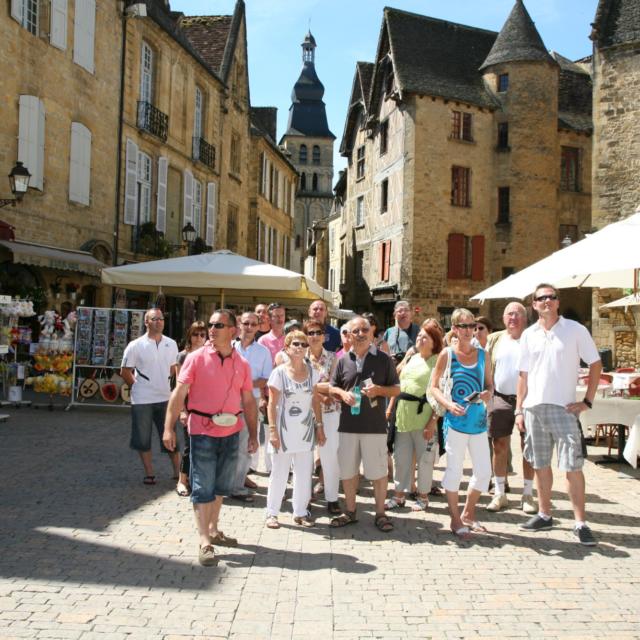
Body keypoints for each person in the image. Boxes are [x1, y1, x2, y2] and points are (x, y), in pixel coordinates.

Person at [162, 309, 258, 566]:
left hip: (231, 430)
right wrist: (168, 428)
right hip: (202, 429)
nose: (212, 330)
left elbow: (248, 401)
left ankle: (214, 530)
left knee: (220, 486)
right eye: (211, 325)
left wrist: (254, 434)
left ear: (232, 331)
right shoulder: (195, 358)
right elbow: (179, 393)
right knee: (203, 486)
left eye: (218, 325)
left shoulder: (242, 363)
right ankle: (205, 540)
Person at [516, 284, 602, 545]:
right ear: (534, 304)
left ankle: (580, 522)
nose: (547, 302)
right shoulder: (529, 335)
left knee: (572, 467)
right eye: (542, 298)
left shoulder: (575, 330)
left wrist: (587, 401)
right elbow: (524, 375)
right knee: (540, 464)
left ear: (558, 302)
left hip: (564, 409)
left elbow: (596, 364)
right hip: (533, 408)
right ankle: (544, 514)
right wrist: (519, 409)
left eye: (552, 297)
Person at [324, 316, 400, 532]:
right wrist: (342, 393)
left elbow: (396, 389)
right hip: (347, 426)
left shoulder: (384, 359)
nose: (360, 334)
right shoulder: (342, 360)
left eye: (364, 330)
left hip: (374, 427)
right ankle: (350, 512)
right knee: (348, 471)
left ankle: (380, 514)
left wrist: (378, 390)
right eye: (355, 331)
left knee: (378, 472)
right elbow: (331, 387)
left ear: (372, 333)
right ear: (348, 335)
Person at [430, 308, 493, 539]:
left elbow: (489, 384)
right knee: (454, 471)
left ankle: (468, 513)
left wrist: (487, 394)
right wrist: (448, 404)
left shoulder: (483, 355)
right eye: (463, 326)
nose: (469, 330)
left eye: (472, 325)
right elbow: (434, 387)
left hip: (478, 421)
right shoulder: (447, 354)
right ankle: (455, 519)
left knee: (484, 472)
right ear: (455, 329)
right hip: (455, 421)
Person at [265, 330, 325, 529]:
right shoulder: (279, 372)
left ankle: (300, 512)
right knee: (279, 473)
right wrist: (272, 430)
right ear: (287, 348)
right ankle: (272, 513)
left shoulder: (313, 373)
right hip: (283, 430)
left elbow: (316, 400)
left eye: (303, 345)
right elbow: (271, 404)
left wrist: (320, 426)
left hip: (305, 430)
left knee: (304, 473)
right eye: (295, 344)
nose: (300, 348)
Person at [485, 303, 537, 514]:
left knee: (528, 448)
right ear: (503, 318)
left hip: (527, 399)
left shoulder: (532, 338)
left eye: (517, 314)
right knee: (499, 445)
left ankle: (527, 494)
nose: (513, 317)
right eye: (509, 314)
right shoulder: (495, 339)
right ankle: (499, 492)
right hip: (500, 398)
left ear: (525, 318)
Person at [385, 324, 442, 511]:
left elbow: (441, 393)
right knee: (400, 458)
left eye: (425, 337)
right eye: (419, 336)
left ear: (434, 342)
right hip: (403, 416)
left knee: (425, 459)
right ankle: (399, 494)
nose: (420, 339)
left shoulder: (437, 362)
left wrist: (432, 421)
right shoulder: (412, 358)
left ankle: (423, 496)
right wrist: (391, 408)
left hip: (424, 417)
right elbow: (398, 383)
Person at [120, 308, 180, 485]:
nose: (159, 322)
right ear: (146, 322)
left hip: (165, 397)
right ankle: (149, 473)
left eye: (161, 318)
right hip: (143, 400)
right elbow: (124, 371)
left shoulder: (171, 343)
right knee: (142, 437)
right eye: (154, 319)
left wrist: (169, 384)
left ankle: (177, 472)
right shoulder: (135, 345)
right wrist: (137, 387)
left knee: (170, 435)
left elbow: (173, 368)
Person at [231, 312, 273, 502]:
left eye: (253, 324)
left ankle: (238, 487)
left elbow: (266, 379)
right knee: (223, 444)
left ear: (258, 327)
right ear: (239, 324)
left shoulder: (263, 351)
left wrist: (244, 384)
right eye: (245, 323)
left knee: (244, 445)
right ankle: (222, 484)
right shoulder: (229, 347)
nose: (248, 327)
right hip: (226, 401)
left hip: (250, 402)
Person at [304, 319, 341, 515]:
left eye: (318, 332)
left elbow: (335, 386)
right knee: (304, 459)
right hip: (304, 414)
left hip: (329, 412)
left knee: (330, 457)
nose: (314, 336)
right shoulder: (300, 359)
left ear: (324, 335)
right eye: (310, 333)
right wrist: (319, 393)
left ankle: (332, 498)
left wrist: (315, 390)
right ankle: (304, 498)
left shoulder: (333, 357)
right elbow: (299, 387)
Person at [175, 321, 208, 497]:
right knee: (189, 445)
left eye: (203, 335)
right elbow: (178, 386)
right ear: (190, 335)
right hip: (189, 405)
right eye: (195, 334)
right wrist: (182, 410)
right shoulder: (182, 356)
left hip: (206, 405)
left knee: (205, 445)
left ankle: (198, 480)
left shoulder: (211, 354)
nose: (199, 338)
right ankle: (182, 480)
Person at [383, 300, 420, 365]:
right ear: (394, 315)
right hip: (392, 370)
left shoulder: (418, 331)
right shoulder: (389, 332)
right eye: (400, 311)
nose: (403, 313)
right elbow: (383, 353)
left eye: (406, 310)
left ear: (411, 313)